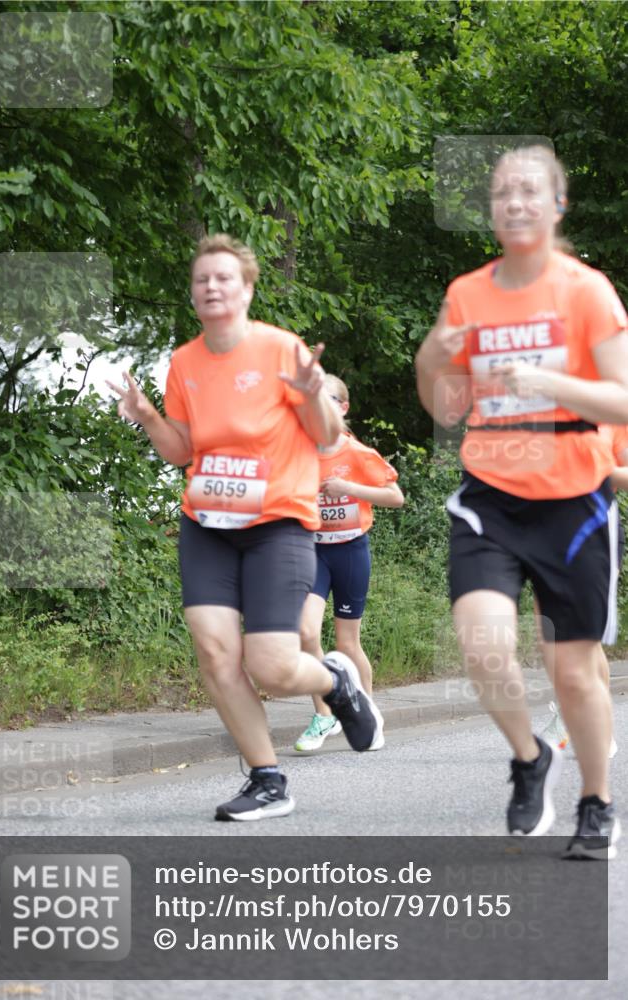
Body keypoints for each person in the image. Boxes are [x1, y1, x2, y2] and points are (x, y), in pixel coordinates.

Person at [108, 233, 383, 821]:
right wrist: (148, 416)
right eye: (202, 279)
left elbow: (327, 436)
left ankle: (335, 683)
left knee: (273, 668)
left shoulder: (282, 350)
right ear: (193, 292)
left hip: (277, 525)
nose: (212, 287)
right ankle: (267, 780)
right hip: (207, 522)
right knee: (215, 654)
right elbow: (182, 451)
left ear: (247, 289)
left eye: (224, 278)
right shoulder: (184, 362)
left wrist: (312, 395)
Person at [415, 145, 628, 859]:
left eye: (530, 191)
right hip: (491, 495)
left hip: (574, 500)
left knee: (572, 671)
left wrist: (548, 384)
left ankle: (595, 802)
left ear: (557, 205)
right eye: (503, 191)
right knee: (482, 645)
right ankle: (529, 756)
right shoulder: (467, 294)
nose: (514, 202)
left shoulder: (586, 291)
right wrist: (430, 356)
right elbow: (445, 407)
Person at [294, 374, 404, 751]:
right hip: (313, 551)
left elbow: (395, 497)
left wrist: (349, 489)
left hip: (351, 551)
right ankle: (324, 715)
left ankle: (367, 716)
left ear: (342, 408)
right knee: (306, 632)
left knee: (347, 642)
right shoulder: (299, 451)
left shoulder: (357, 453)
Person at [542, 422, 628, 755]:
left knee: (586, 637)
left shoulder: (611, 418)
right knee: (552, 631)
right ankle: (568, 712)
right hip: (545, 529)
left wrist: (591, 470)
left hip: (595, 527)